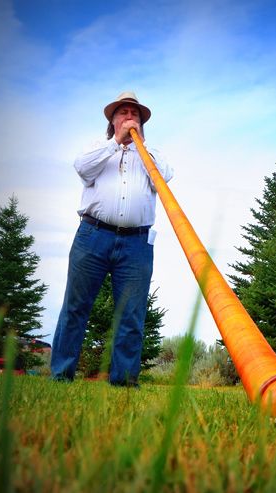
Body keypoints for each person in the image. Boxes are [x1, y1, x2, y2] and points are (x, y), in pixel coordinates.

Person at [51, 91, 173, 386]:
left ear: (143, 123)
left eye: (135, 114)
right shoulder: (98, 149)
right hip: (93, 236)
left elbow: (165, 176)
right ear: (112, 120)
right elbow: (81, 167)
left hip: (136, 244)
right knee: (75, 307)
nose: (129, 117)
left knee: (131, 314)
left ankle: (124, 382)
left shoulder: (152, 157)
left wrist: (140, 146)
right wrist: (116, 142)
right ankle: (61, 375)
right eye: (123, 113)